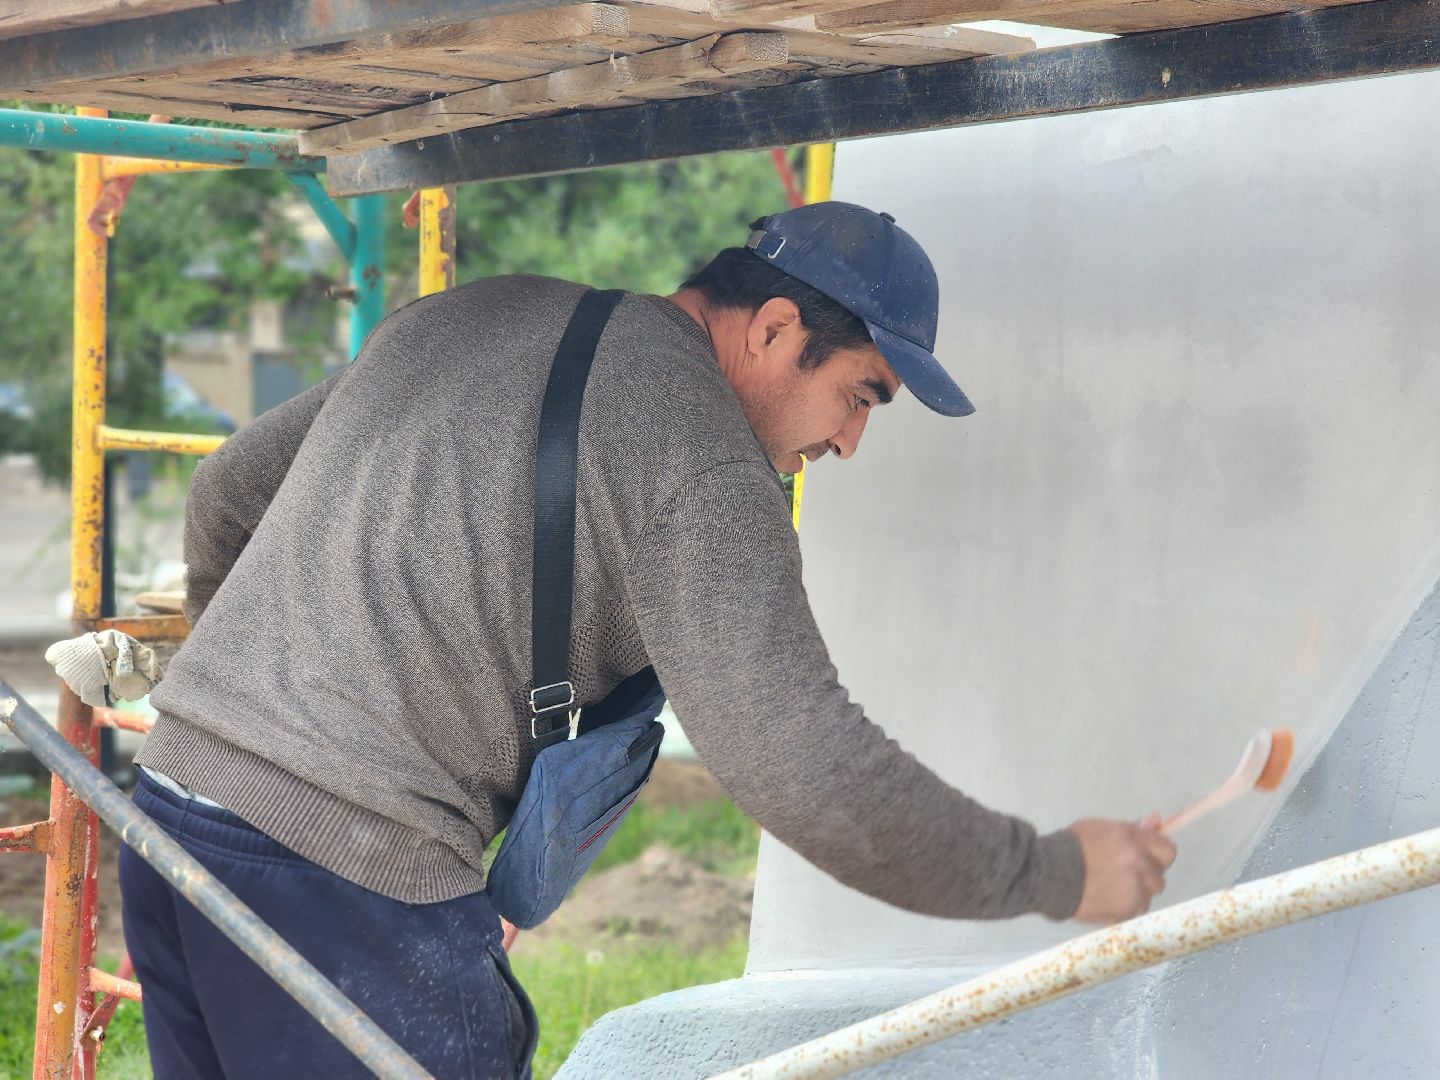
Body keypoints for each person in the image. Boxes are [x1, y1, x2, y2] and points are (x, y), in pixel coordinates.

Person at [118, 201, 1176, 1078]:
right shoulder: (704, 461)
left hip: (169, 815)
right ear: (773, 330)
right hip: (344, 882)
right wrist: (1052, 872)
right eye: (859, 395)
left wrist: (248, 718)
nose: (850, 442)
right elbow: (805, 765)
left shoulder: (477, 311)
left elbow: (227, 492)